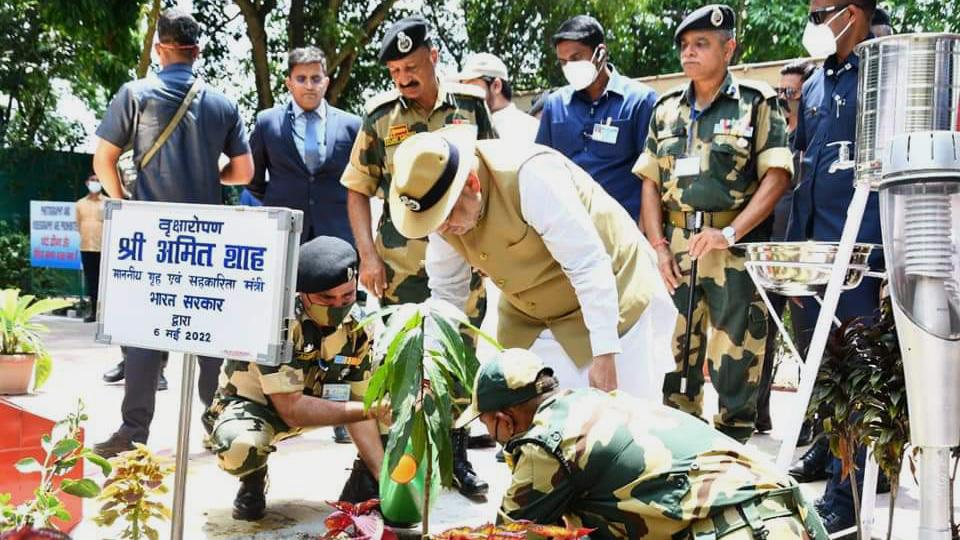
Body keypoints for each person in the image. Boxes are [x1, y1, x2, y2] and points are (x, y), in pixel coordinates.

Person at [388, 125, 676, 398]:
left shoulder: (529, 175)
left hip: (611, 301)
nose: (442, 230)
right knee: (533, 430)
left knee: (622, 425)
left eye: (446, 216)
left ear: (472, 182)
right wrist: (429, 370)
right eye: (433, 222)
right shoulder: (441, 216)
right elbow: (447, 294)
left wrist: (604, 355)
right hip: (530, 318)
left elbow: (588, 265)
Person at [339, 15, 493, 499]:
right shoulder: (381, 117)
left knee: (459, 360)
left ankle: (457, 455)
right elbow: (357, 188)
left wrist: (490, 252)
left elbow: (491, 177)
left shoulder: (470, 107)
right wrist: (368, 254)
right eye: (394, 72)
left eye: (411, 67)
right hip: (401, 268)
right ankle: (379, 463)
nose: (403, 79)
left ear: (433, 57)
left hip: (463, 260)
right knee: (394, 361)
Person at [90, 8, 254, 458]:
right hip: (205, 237)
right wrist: (208, 175)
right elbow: (243, 172)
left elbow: (102, 160)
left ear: (160, 47)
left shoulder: (134, 94)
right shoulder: (222, 103)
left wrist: (124, 197)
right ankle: (214, 421)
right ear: (197, 50)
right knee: (208, 330)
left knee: (142, 329)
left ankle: (132, 430)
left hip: (149, 235)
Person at [454, 348, 828, 539]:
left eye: (487, 424)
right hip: (780, 513)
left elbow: (510, 535)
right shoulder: (593, 402)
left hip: (738, 529)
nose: (491, 435)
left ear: (504, 419)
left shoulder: (547, 445)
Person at [632, 4, 793, 444]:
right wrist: (659, 247)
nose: (689, 53)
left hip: (731, 250)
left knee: (736, 359)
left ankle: (733, 454)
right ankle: (681, 451)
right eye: (685, 45)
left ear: (729, 48)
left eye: (701, 44)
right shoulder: (665, 110)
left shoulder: (755, 103)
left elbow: (776, 176)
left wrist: (731, 233)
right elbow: (649, 181)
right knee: (674, 357)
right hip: (678, 250)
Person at [202, 236, 387, 521]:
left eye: (347, 296)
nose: (338, 306)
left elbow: (359, 400)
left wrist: (384, 477)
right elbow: (292, 410)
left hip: (320, 402)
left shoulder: (359, 326)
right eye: (327, 298)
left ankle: (366, 483)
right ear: (302, 293)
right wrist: (366, 410)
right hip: (257, 407)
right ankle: (253, 477)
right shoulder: (275, 323)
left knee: (393, 410)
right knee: (241, 448)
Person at [788, 0, 886, 533]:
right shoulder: (818, 81)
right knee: (824, 377)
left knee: (859, 384)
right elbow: (804, 170)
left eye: (819, 11)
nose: (812, 24)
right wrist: (797, 256)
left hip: (864, 258)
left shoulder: (884, 72)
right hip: (818, 254)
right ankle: (834, 467)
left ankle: (846, 500)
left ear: (851, 11)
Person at [535, 15, 657, 221]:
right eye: (563, 62)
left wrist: (645, 238)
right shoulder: (555, 105)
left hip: (624, 230)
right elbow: (542, 169)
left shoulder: (640, 101)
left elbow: (651, 178)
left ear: (601, 53)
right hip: (571, 228)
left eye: (576, 58)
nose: (569, 68)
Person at [755, 59, 817, 434]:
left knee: (808, 342)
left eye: (790, 93)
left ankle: (814, 421)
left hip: (799, 255)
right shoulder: (773, 135)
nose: (783, 99)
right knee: (760, 338)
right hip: (766, 253)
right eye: (780, 92)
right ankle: (758, 412)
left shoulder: (812, 139)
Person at [246, 46, 361, 245]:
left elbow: (361, 183)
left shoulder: (352, 126)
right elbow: (252, 179)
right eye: (301, 79)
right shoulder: (267, 123)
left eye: (316, 78)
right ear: (288, 83)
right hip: (282, 235)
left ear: (326, 82)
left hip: (337, 236)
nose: (309, 85)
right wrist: (281, 197)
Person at [452, 53, 539, 142]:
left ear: (496, 86)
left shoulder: (530, 128)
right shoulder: (465, 130)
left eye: (471, 87)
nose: (465, 94)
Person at [75, 175, 106, 323]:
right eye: (92, 181)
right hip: (87, 247)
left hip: (104, 249)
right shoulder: (80, 204)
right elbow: (77, 224)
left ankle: (106, 313)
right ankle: (93, 312)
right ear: (87, 183)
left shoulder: (108, 203)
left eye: (98, 181)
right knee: (91, 281)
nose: (95, 183)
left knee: (105, 282)